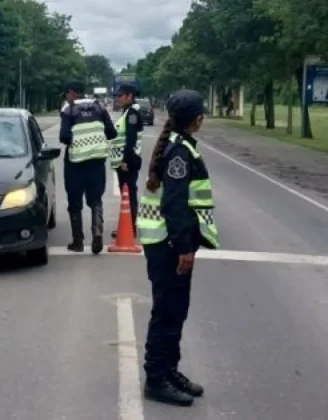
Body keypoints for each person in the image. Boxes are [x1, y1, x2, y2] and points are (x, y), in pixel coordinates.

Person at [136, 89, 219, 406]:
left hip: (167, 244)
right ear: (197, 120)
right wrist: (184, 248)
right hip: (168, 246)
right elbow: (174, 206)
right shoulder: (180, 153)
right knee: (167, 313)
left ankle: (169, 370)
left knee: (175, 311)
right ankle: (156, 379)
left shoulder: (178, 147)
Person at [60, 81, 117, 254]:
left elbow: (64, 137)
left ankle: (78, 242)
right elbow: (112, 133)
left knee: (74, 203)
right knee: (95, 200)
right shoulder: (99, 108)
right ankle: (97, 235)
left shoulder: (68, 110)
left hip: (75, 164)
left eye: (66, 95)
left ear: (71, 94)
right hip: (96, 163)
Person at [110, 83, 143, 238]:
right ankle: (127, 224)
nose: (118, 98)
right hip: (124, 162)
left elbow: (131, 140)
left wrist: (125, 161)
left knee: (129, 193)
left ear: (130, 96)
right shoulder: (127, 112)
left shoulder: (132, 114)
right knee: (127, 194)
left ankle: (130, 227)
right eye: (117, 95)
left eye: (121, 95)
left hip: (128, 162)